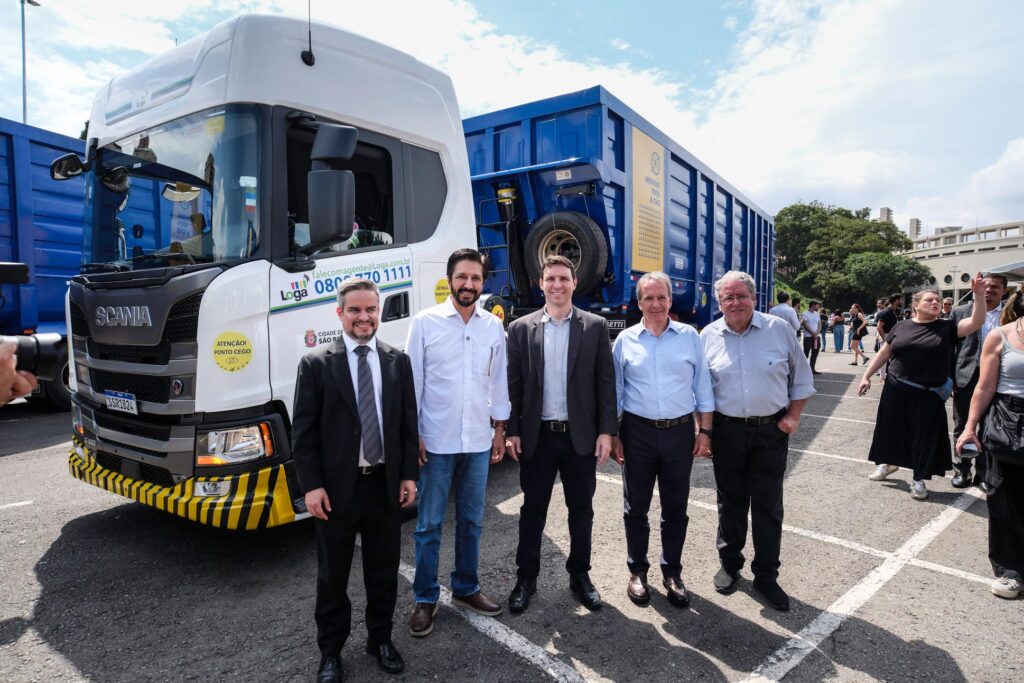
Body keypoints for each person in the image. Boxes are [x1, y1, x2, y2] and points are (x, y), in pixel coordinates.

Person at [291, 278, 419, 681]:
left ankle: (380, 639)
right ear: (340, 313)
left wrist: (409, 477)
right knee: (333, 577)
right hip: (335, 492)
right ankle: (330, 652)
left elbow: (406, 427)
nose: (364, 317)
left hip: (383, 486)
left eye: (371, 309)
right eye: (355, 310)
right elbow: (304, 434)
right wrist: (311, 486)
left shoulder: (397, 361)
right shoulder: (316, 364)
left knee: (384, 572)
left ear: (379, 312)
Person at [406, 248, 511, 637]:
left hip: (478, 440)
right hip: (435, 439)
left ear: (484, 283)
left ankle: (466, 588)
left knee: (472, 519)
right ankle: (425, 597)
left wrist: (499, 428)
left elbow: (497, 379)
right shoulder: (425, 323)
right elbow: (412, 383)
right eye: (462, 277)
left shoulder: (491, 327)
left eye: (476, 278)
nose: (469, 285)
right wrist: (412, 433)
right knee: (429, 523)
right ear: (450, 280)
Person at [504, 255, 617, 613]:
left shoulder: (595, 326)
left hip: (579, 438)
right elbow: (514, 385)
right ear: (541, 284)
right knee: (533, 509)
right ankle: (526, 578)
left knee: (581, 510)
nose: (557, 285)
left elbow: (605, 384)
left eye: (563, 279)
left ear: (574, 283)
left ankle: (580, 575)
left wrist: (606, 431)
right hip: (538, 437)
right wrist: (513, 431)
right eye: (550, 278)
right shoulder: (521, 328)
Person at [700, 271, 815, 612]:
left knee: (768, 506)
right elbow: (701, 390)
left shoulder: (778, 330)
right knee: (730, 502)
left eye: (741, 296)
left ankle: (766, 575)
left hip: (770, 431)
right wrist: (704, 431)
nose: (735, 303)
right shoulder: (708, 335)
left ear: (754, 298)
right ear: (720, 303)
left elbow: (802, 379)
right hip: (727, 431)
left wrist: (792, 418)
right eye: (728, 298)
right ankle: (730, 564)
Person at [611, 271, 714, 608]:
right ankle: (637, 572)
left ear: (671, 300)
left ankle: (672, 571)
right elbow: (615, 392)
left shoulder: (689, 337)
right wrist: (614, 435)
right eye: (648, 298)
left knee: (675, 508)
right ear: (638, 302)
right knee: (635, 507)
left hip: (679, 433)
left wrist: (706, 431)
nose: (655, 304)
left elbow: (702, 387)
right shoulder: (624, 341)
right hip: (637, 432)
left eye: (661, 297)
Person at [859, 276, 986, 500]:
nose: (935, 303)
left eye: (937, 300)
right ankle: (888, 464)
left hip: (928, 394)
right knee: (890, 431)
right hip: (895, 388)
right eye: (929, 300)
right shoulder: (901, 325)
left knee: (923, 437)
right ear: (916, 305)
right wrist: (866, 376)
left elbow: (976, 322)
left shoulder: (947, 327)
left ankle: (918, 479)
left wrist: (977, 295)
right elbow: (884, 353)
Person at [955, 290, 1024, 599]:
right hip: (1008, 421)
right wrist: (969, 428)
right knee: (1004, 498)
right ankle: (1010, 571)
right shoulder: (1001, 336)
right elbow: (983, 387)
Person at [951, 274, 1007, 491]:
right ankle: (962, 470)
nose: (989, 290)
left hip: (998, 377)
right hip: (966, 375)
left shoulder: (1012, 314)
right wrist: (950, 376)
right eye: (986, 286)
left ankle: (983, 473)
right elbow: (951, 347)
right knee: (962, 424)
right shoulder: (961, 312)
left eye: (995, 287)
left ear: (1004, 290)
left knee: (989, 426)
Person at [800, 300, 823, 375]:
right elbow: (805, 324)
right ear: (813, 305)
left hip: (816, 337)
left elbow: (819, 324)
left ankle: (812, 368)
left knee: (815, 353)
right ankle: (802, 369)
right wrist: (812, 333)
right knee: (806, 353)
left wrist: (816, 333)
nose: (818, 307)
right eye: (817, 305)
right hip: (808, 337)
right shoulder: (805, 313)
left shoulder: (817, 314)